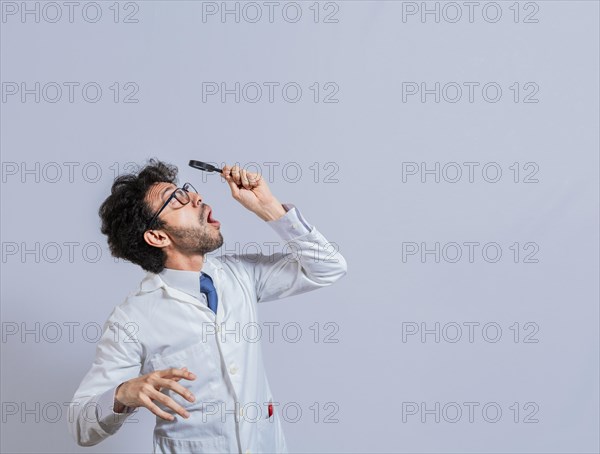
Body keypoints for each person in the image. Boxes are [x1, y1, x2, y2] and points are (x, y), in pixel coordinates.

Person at [68, 159, 347, 453]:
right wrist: (123, 393)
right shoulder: (131, 318)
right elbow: (80, 426)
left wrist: (268, 208)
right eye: (176, 199)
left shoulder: (241, 274)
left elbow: (328, 268)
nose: (197, 197)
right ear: (157, 236)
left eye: (187, 190)